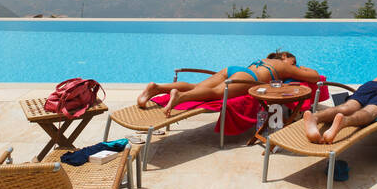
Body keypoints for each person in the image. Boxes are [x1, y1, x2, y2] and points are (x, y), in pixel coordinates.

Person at [137, 51, 321, 114]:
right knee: (217, 94)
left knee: (198, 87)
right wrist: (301, 68)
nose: (295, 66)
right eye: (294, 61)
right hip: (249, 79)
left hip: (234, 69)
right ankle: (180, 97)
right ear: (285, 56)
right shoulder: (283, 65)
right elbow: (314, 77)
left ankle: (157, 88)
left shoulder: (265, 60)